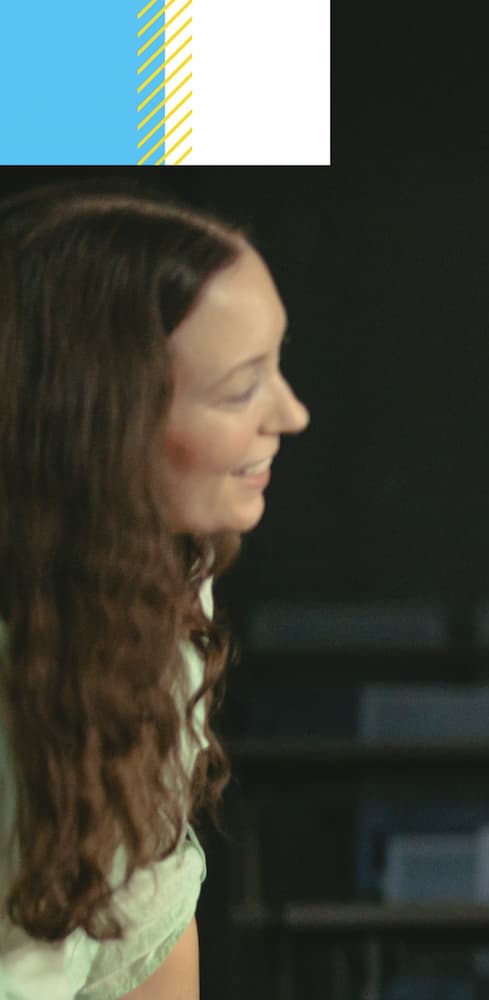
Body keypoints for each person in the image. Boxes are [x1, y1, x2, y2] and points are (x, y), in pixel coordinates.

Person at [0, 185, 312, 999]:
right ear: (108, 417)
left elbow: (144, 928)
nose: (292, 413)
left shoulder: (165, 591)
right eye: (240, 387)